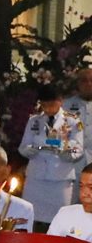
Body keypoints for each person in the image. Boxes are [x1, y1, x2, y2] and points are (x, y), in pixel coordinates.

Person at [20, 85, 85, 228]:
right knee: (30, 217)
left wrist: (64, 151)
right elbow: (23, 147)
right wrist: (33, 150)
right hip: (36, 177)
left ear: (60, 101)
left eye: (51, 104)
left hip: (60, 178)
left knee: (60, 219)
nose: (47, 109)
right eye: (44, 105)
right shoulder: (34, 121)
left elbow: (78, 150)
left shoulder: (73, 121)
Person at [63, 67, 92, 179]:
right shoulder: (65, 106)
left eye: (91, 80)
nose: (88, 84)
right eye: (84, 80)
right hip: (72, 166)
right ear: (78, 84)